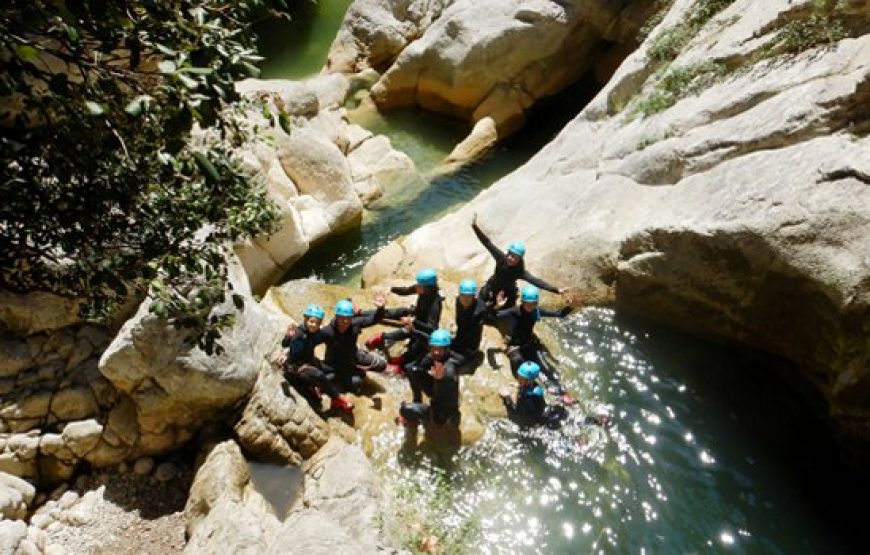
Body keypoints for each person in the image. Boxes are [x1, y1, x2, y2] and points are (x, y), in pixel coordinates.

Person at [493, 284, 574, 401]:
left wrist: (570, 305)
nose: (530, 306)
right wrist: (497, 306)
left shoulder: (536, 311)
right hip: (516, 346)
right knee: (520, 363)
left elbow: (559, 314)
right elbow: (493, 316)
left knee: (546, 369)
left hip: (530, 343)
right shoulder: (514, 312)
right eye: (527, 303)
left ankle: (562, 394)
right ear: (522, 302)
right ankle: (525, 387)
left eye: (533, 303)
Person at [471, 213, 568, 309]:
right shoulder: (501, 258)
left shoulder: (520, 271)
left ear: (520, 259)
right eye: (510, 255)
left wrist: (556, 290)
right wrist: (474, 226)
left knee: (506, 312)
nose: (511, 259)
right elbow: (487, 243)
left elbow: (537, 282)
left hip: (507, 292)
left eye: (515, 257)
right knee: (480, 304)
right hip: (492, 286)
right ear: (507, 253)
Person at [279, 303, 353, 412]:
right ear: (306, 320)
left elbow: (328, 334)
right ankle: (337, 398)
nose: (314, 325)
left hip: (308, 361)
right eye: (311, 321)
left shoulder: (315, 332)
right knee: (319, 375)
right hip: (296, 368)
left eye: (317, 323)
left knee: (331, 370)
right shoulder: (299, 334)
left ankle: (319, 386)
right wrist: (288, 338)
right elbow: (287, 346)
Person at [366, 268, 442, 369]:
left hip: (424, 331)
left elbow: (431, 328)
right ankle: (383, 337)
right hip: (416, 319)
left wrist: (413, 321)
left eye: (419, 285)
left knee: (413, 350)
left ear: (428, 288)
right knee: (404, 323)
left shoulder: (435, 304)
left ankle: (403, 360)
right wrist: (391, 289)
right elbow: (407, 290)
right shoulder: (423, 289)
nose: (416, 287)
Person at [319, 296, 387, 394]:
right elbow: (311, 341)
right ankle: (347, 374)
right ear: (336, 316)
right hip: (336, 364)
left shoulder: (355, 324)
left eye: (348, 318)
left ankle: (356, 369)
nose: (345, 322)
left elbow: (374, 319)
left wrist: (380, 309)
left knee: (382, 365)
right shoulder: (327, 331)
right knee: (357, 384)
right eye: (342, 318)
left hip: (354, 355)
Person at [398, 329, 462, 427]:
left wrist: (439, 380)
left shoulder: (449, 369)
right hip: (437, 390)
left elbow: (448, 382)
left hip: (442, 411)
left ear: (446, 349)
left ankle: (416, 420)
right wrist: (413, 330)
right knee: (412, 370)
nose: (436, 352)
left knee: (405, 410)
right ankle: (417, 399)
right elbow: (426, 340)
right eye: (433, 348)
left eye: (439, 349)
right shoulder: (438, 355)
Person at [499, 361, 567, 428]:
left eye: (521, 379)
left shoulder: (527, 398)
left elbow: (518, 417)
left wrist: (507, 398)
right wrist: (520, 386)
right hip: (541, 414)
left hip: (533, 424)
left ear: (529, 381)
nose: (518, 380)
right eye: (518, 377)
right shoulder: (536, 386)